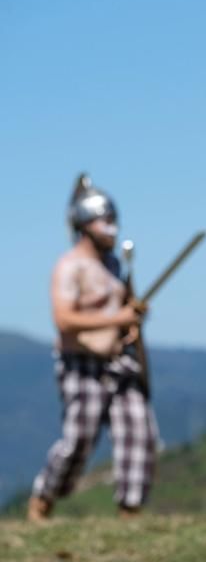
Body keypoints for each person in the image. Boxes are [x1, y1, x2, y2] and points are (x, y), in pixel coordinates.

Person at [27, 175, 159, 521]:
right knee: (77, 442)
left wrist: (130, 325)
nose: (112, 229)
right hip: (80, 364)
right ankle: (43, 500)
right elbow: (65, 319)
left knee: (139, 436)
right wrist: (119, 318)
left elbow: (122, 316)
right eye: (106, 221)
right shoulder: (70, 266)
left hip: (118, 362)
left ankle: (129, 513)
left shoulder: (114, 265)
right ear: (85, 224)